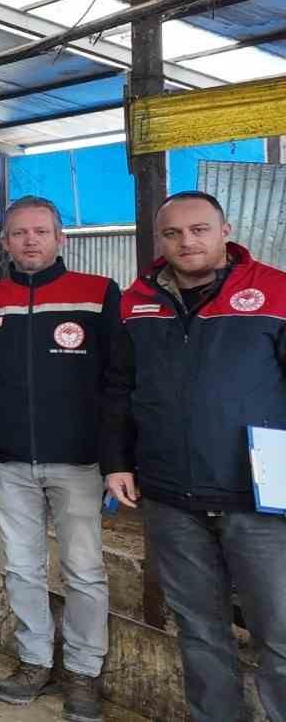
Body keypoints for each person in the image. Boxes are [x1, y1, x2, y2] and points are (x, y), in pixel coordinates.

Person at [102, 190, 286, 720]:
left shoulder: (274, 291)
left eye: (200, 229)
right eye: (173, 233)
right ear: (160, 240)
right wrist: (117, 462)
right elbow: (117, 389)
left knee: (279, 632)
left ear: (225, 231)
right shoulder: (135, 303)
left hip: (260, 497)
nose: (187, 241)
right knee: (200, 631)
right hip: (171, 496)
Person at [0, 196, 118, 722]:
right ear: (5, 241)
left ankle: (83, 670)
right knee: (21, 567)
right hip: (9, 460)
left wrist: (114, 455)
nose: (29, 240)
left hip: (78, 460)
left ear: (60, 238)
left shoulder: (97, 292)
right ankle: (34, 660)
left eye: (40, 231)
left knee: (84, 569)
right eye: (18, 232)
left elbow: (117, 379)